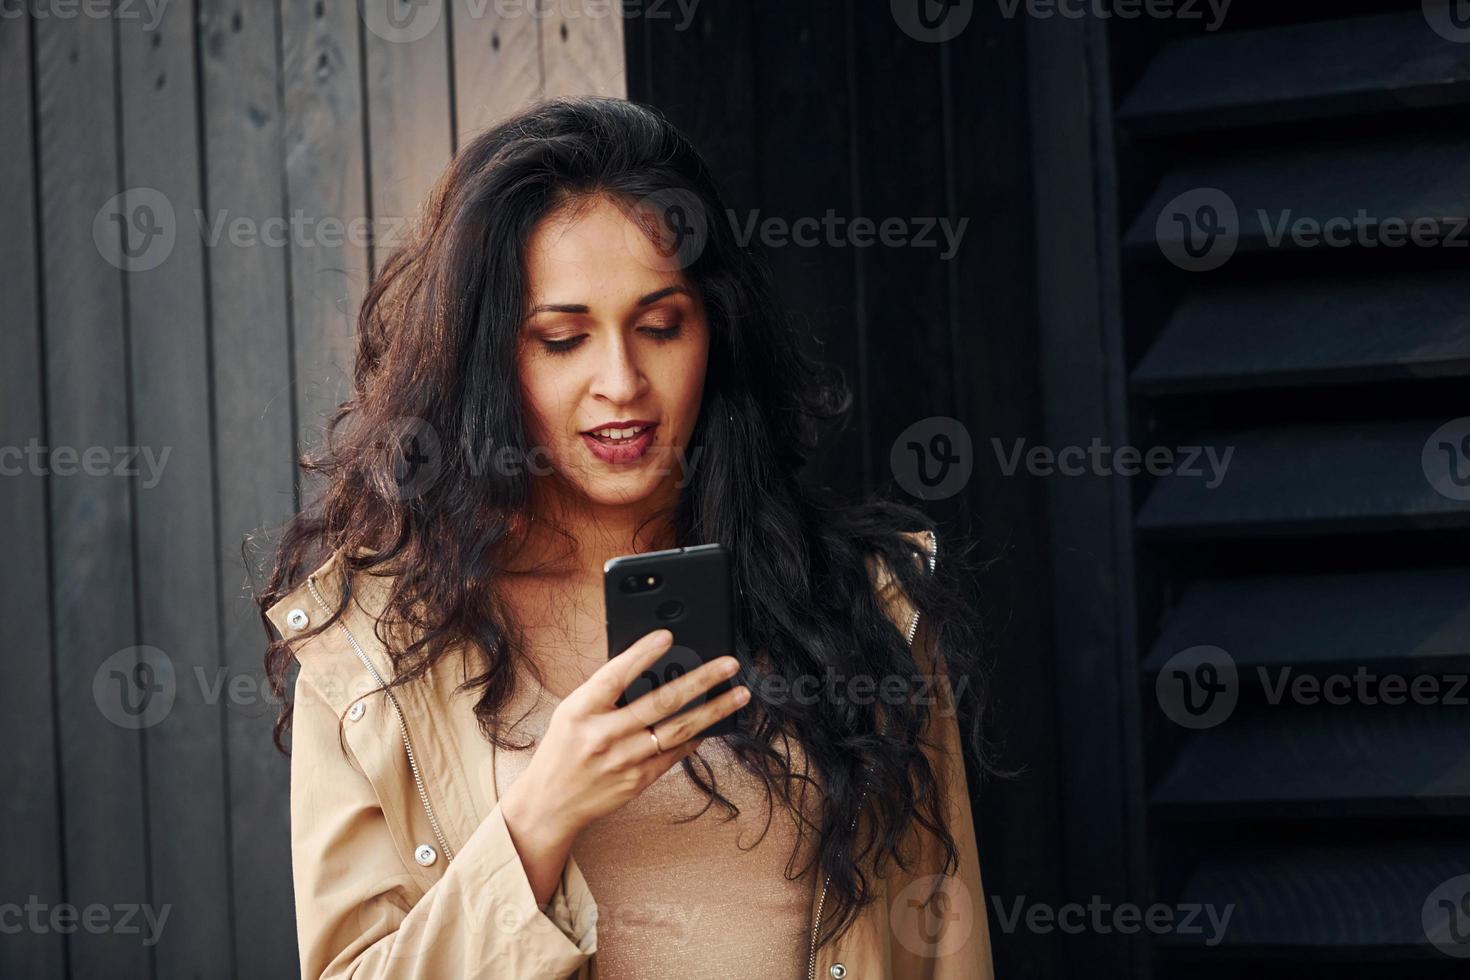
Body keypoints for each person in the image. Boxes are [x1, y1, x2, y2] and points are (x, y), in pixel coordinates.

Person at [259, 95, 995, 979]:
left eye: (659, 326)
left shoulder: (864, 599)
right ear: (489, 360)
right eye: (563, 339)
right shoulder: (376, 649)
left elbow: (947, 943)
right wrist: (539, 818)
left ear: (713, 331)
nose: (622, 382)